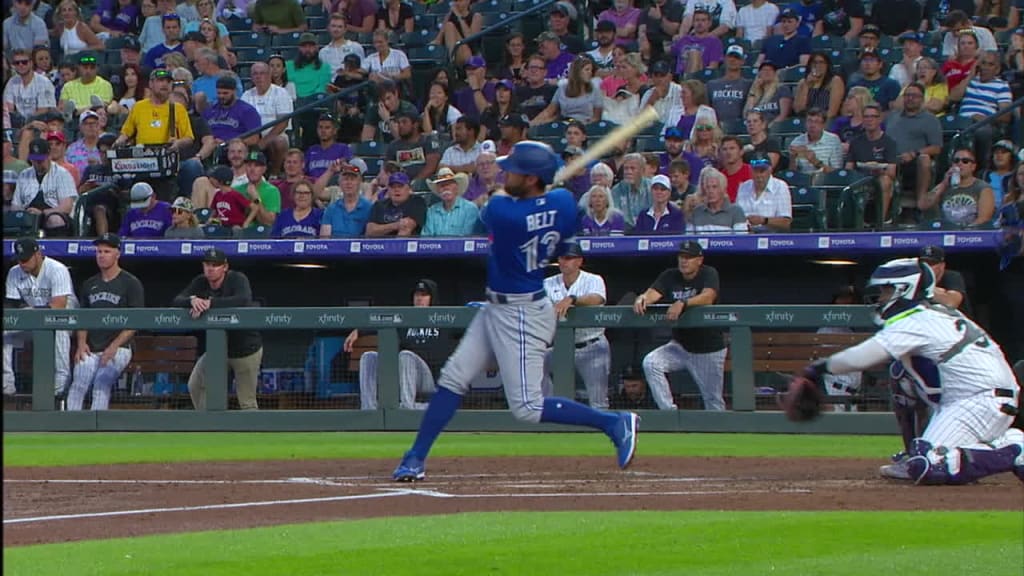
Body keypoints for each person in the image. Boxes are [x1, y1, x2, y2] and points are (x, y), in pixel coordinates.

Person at [390, 141, 639, 482]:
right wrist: (540, 193)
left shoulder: (504, 211)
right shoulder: (563, 202)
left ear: (532, 178)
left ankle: (614, 422)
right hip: (497, 305)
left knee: (527, 408)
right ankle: (415, 457)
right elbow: (558, 207)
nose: (506, 173)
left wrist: (530, 196)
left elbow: (494, 211)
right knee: (453, 379)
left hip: (524, 314)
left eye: (515, 171)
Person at [792, 258, 1022, 485]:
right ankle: (943, 451)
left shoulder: (917, 320)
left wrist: (815, 369)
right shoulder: (934, 313)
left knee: (930, 465)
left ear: (904, 289)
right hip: (969, 397)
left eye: (886, 291)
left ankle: (1014, 449)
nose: (880, 298)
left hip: (980, 400)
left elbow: (864, 356)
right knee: (901, 373)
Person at [634, 240, 728, 411]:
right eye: (681, 256)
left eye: (689, 257)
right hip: (680, 346)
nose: (684, 261)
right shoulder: (670, 275)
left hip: (708, 349)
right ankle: (669, 413)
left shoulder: (708, 273)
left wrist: (683, 303)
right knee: (651, 363)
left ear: (699, 260)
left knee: (713, 402)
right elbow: (652, 293)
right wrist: (642, 298)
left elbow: (708, 297)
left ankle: (720, 433)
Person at [172, 249, 263, 411]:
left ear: (225, 267)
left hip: (246, 349)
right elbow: (177, 300)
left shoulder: (237, 279)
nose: (211, 269)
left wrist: (211, 303)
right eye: (207, 264)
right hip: (218, 350)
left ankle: (251, 434)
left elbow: (243, 299)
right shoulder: (200, 282)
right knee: (195, 384)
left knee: (247, 402)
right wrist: (192, 300)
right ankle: (207, 424)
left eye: (215, 265)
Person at [67, 233, 145, 411]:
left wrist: (114, 346)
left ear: (117, 254)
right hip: (91, 348)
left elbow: (135, 321)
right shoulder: (89, 284)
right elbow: (83, 317)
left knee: (101, 383)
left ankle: (96, 429)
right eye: (99, 251)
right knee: (79, 384)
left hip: (120, 348)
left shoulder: (131, 283)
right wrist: (81, 344)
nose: (101, 255)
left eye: (107, 251)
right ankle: (69, 427)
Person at [346, 279, 450, 410]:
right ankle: (369, 409)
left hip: (428, 377)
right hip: (402, 374)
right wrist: (359, 331)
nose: (419, 299)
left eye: (424, 295)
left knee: (406, 355)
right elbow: (381, 323)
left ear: (432, 298)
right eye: (417, 295)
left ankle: (407, 408)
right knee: (369, 357)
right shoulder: (405, 318)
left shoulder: (444, 317)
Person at [540, 243, 611, 409]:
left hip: (591, 346)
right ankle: (551, 407)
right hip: (562, 347)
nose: (564, 262)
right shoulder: (547, 283)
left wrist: (573, 299)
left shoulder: (594, 279)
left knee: (598, 402)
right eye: (562, 258)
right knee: (534, 362)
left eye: (569, 258)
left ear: (579, 261)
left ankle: (601, 429)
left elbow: (597, 299)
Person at [4, 238, 76, 398]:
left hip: (65, 319)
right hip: (33, 319)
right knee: (5, 331)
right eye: (20, 259)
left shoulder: (57, 269)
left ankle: (60, 387)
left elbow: (58, 306)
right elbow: (11, 306)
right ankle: (7, 384)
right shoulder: (14, 272)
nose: (22, 264)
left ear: (38, 254)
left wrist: (29, 311)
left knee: (59, 329)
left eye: (26, 259)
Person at [113, 68, 194, 201]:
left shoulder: (177, 109)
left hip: (165, 158)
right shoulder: (139, 107)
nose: (165, 84)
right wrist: (119, 142)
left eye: (168, 82)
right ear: (151, 84)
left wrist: (177, 143)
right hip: (142, 160)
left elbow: (188, 138)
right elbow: (126, 133)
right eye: (160, 81)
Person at [12, 138, 77, 237]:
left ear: (49, 156)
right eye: (35, 160)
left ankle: (57, 250)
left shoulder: (62, 174)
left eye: (41, 160)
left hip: (53, 214)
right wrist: (25, 213)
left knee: (55, 219)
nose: (38, 163)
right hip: (29, 216)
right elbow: (15, 205)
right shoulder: (24, 174)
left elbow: (66, 207)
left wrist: (42, 213)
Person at [918, 147, 996, 227]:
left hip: (970, 234)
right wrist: (944, 183)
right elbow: (923, 205)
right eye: (956, 161)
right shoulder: (945, 186)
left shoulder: (982, 187)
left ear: (973, 167)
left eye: (965, 161)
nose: (960, 164)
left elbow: (983, 219)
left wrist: (963, 232)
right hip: (946, 232)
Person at [736, 154, 792, 231]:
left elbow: (786, 222)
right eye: (755, 171)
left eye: (762, 171)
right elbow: (737, 217)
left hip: (772, 237)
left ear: (770, 170)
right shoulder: (743, 187)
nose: (759, 175)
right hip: (745, 235)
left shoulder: (780, 186)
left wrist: (764, 220)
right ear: (750, 171)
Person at [203, 74, 261, 148]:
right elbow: (202, 134)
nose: (221, 96)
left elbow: (254, 139)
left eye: (225, 93)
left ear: (234, 91)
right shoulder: (210, 110)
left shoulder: (247, 111)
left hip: (234, 150)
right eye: (219, 93)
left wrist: (227, 143)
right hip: (210, 147)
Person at [688, 166, 748, 233]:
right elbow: (689, 239)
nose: (710, 191)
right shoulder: (697, 212)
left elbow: (741, 240)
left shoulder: (736, 212)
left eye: (714, 187)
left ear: (723, 189)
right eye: (707, 187)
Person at [422, 167, 480, 237]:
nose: (445, 188)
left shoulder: (470, 208)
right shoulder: (432, 211)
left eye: (449, 184)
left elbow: (468, 237)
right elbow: (426, 237)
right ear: (438, 190)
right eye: (442, 185)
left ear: (456, 187)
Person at [365, 172, 427, 237]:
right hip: (379, 245)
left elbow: (407, 227)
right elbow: (370, 231)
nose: (396, 190)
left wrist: (394, 246)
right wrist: (396, 225)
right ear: (388, 189)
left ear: (409, 188)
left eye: (400, 186)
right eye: (393, 187)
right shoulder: (379, 205)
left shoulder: (417, 202)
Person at [4, 48, 57, 123]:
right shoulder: (12, 82)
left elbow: (43, 110)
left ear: (31, 63)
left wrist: (27, 123)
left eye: (24, 62)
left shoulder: (44, 82)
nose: (20, 65)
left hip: (41, 124)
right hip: (18, 125)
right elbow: (8, 108)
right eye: (17, 63)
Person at [919, 245, 973, 317]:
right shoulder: (917, 277)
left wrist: (924, 290)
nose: (927, 267)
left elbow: (951, 302)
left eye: (931, 264)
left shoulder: (951, 276)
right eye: (924, 263)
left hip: (956, 322)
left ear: (942, 266)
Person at [319, 163, 372, 236]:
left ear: (359, 183)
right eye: (345, 179)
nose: (349, 183)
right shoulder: (331, 209)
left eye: (352, 179)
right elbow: (324, 239)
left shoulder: (369, 208)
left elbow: (371, 238)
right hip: (335, 246)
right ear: (340, 183)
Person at [788, 107, 843, 175]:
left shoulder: (833, 140)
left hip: (825, 181)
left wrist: (815, 162)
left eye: (816, 122)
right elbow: (792, 174)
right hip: (803, 180)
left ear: (824, 125)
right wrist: (792, 158)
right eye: (809, 121)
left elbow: (836, 173)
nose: (812, 125)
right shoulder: (797, 142)